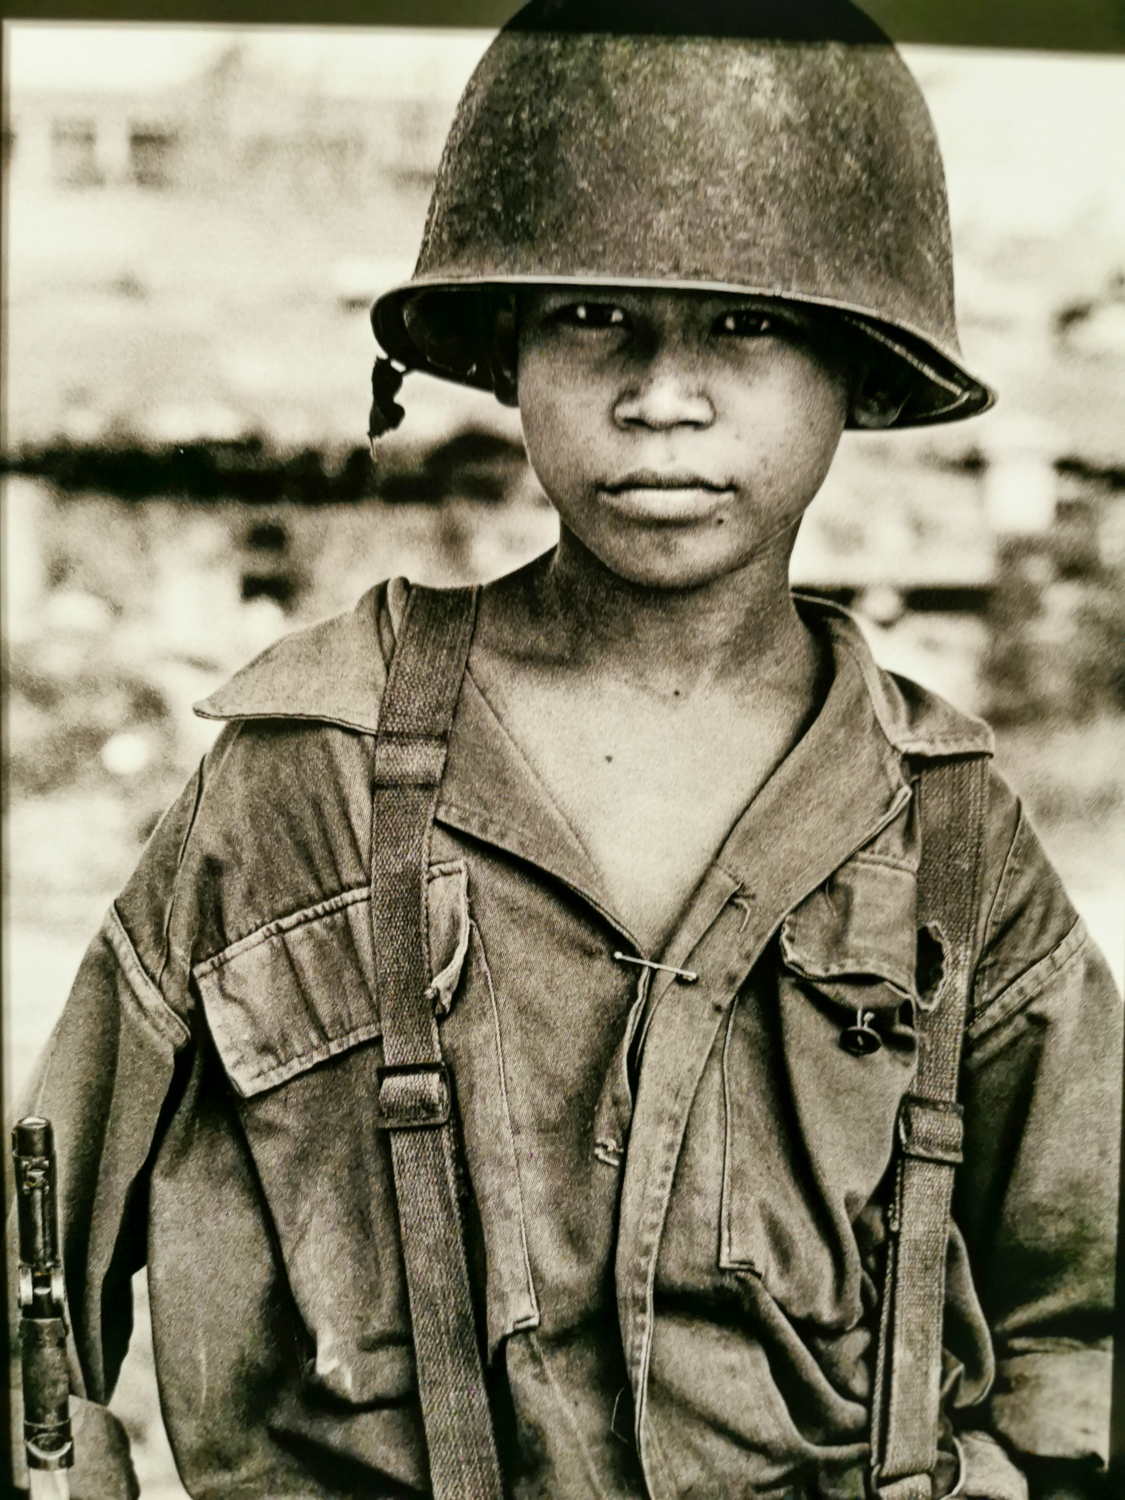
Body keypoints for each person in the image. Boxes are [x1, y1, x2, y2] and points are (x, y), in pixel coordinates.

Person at [9, 3, 1119, 1498]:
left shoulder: (947, 834)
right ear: (503, 355)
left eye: (751, 321)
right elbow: (38, 1297)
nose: (663, 396)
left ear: (858, 370)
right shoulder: (306, 780)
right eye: (591, 316)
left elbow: (1083, 1312)